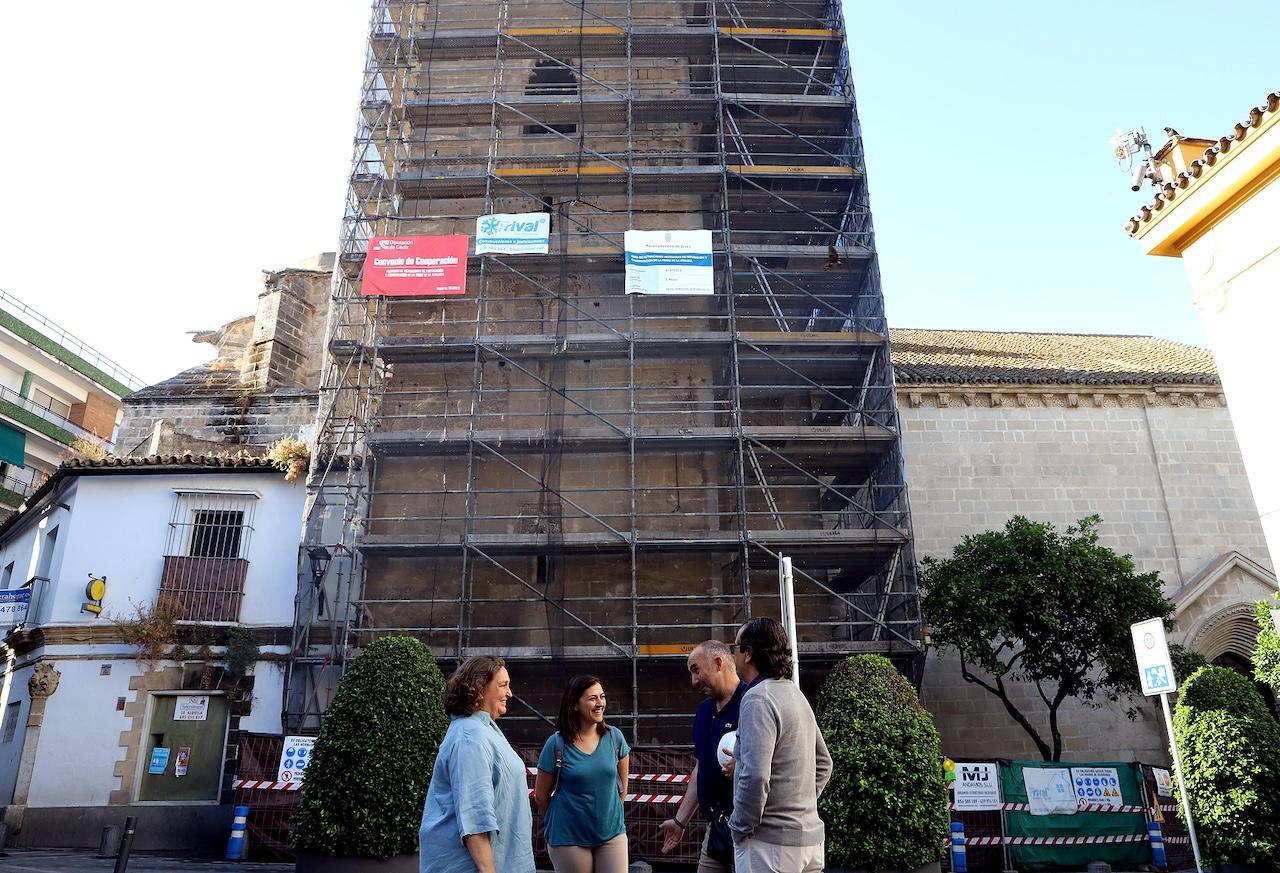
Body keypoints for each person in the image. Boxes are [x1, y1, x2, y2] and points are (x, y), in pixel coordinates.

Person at [729, 617, 832, 873]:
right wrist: (797, 806)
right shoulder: (795, 694)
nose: (734, 653)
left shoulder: (757, 698)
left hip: (769, 845)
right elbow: (824, 763)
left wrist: (739, 827)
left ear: (749, 654)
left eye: (736, 646)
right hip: (809, 841)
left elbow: (755, 776)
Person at [420, 655, 535, 873]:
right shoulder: (470, 736)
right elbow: (474, 817)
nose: (509, 693)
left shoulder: (483, 729)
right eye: (502, 686)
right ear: (480, 688)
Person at [660, 640, 749, 871]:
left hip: (752, 831)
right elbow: (700, 769)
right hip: (716, 828)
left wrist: (746, 765)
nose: (693, 681)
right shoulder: (703, 711)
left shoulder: (753, 700)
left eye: (696, 670)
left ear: (718, 663)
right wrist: (680, 821)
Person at [534, 675, 631, 873]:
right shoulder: (556, 744)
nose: (600, 703)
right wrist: (562, 821)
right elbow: (541, 795)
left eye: (602, 697)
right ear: (574, 704)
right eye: (592, 698)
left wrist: (608, 815)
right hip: (568, 837)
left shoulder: (615, 738)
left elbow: (622, 787)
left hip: (611, 833)